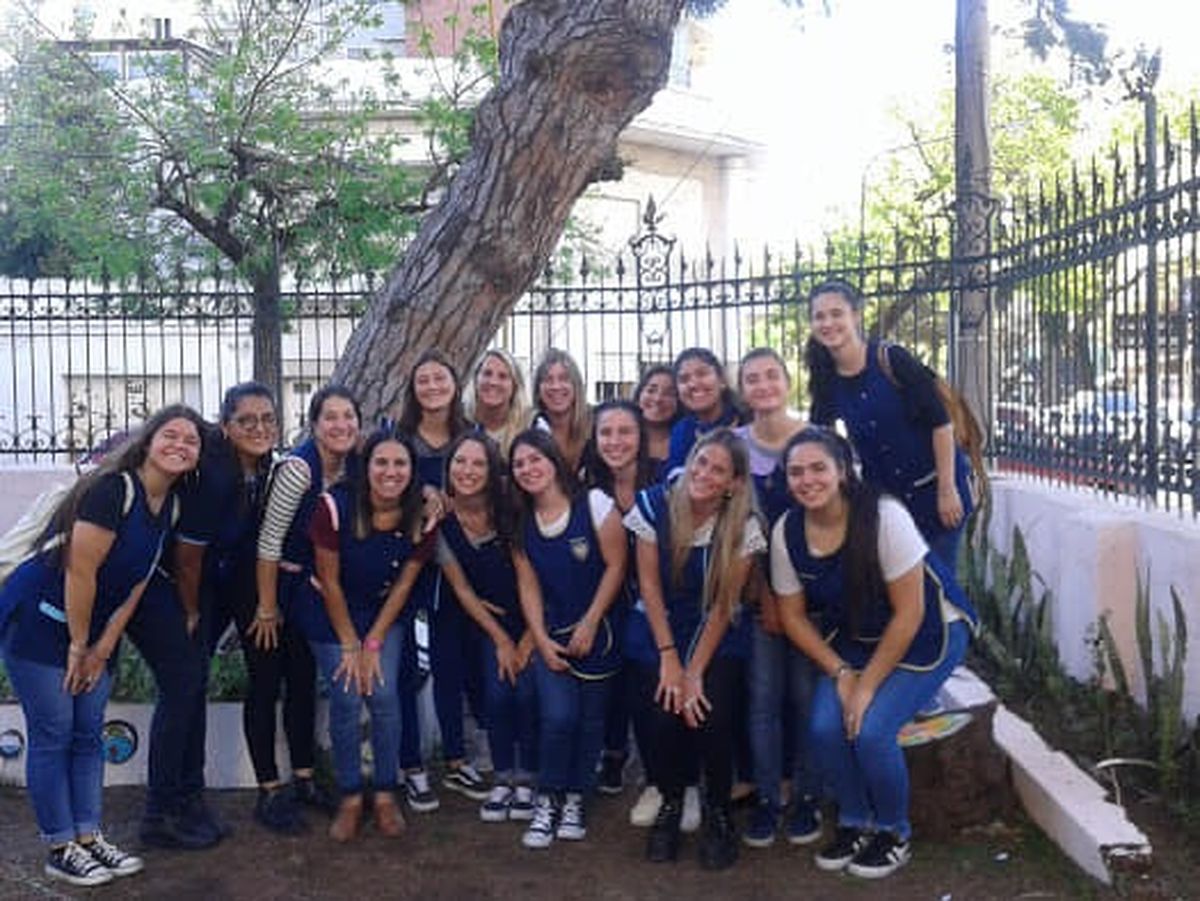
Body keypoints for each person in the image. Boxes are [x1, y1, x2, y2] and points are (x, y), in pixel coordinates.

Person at [0, 404, 206, 886]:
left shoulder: (169, 504)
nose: (180, 445)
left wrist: (105, 643)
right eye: (170, 435)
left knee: (89, 733)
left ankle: (89, 837)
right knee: (55, 732)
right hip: (42, 621)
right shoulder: (113, 490)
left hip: (91, 630)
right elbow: (80, 570)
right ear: (148, 441)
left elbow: (135, 583)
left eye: (190, 440)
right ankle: (60, 845)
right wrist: (79, 645)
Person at [773, 426, 977, 879]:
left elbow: (908, 614)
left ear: (843, 471)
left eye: (819, 468)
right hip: (857, 640)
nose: (807, 480)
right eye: (796, 472)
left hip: (928, 632)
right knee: (826, 727)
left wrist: (865, 689)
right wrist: (842, 673)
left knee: (870, 730)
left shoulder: (883, 516)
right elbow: (792, 617)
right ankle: (854, 820)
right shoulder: (788, 530)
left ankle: (893, 831)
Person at [129, 382, 277, 850]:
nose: (259, 428)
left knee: (193, 688)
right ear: (225, 425)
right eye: (246, 420)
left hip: (207, 584)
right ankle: (159, 814)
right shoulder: (215, 473)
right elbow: (188, 556)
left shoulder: (261, 466)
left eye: (267, 419)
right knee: (182, 689)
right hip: (169, 588)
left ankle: (189, 801)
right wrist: (191, 611)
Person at [629, 428, 762, 871]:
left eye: (718, 469)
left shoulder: (744, 525)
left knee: (711, 707)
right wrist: (670, 658)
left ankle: (718, 809)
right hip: (661, 621)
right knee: (660, 704)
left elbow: (725, 606)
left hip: (716, 630)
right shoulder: (653, 505)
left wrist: (694, 672)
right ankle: (670, 799)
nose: (704, 474)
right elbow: (648, 585)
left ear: (735, 483)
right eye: (701, 462)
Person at [303, 426, 432, 841]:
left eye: (400, 463)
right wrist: (350, 644)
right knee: (344, 693)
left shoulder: (422, 516)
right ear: (366, 465)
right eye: (381, 462)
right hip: (329, 610)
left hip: (382, 613)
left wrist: (372, 643)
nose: (390, 472)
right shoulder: (334, 507)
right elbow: (330, 580)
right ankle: (350, 794)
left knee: (384, 693)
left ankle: (385, 792)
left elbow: (404, 585)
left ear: (412, 471)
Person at [509, 428, 627, 850]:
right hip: (553, 636)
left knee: (591, 722)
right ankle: (548, 798)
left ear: (553, 460)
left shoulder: (594, 504)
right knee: (558, 718)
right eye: (519, 464)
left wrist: (592, 620)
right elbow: (529, 586)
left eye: (534, 459)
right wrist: (539, 639)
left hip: (600, 635)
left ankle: (577, 798)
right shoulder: (521, 522)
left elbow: (616, 565)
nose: (528, 468)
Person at [805, 278, 973, 568]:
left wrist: (947, 490)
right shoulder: (826, 377)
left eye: (836, 314)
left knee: (940, 590)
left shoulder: (890, 358)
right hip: (887, 503)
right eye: (819, 316)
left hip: (935, 493)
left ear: (855, 316)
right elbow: (824, 441)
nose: (828, 323)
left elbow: (940, 423)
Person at [254, 385, 361, 833]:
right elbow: (269, 541)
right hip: (268, 584)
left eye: (349, 416)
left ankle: (303, 779)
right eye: (330, 417)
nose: (341, 425)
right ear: (314, 425)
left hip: (305, 590)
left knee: (301, 683)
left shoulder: (351, 466)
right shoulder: (300, 470)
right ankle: (268, 790)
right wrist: (265, 607)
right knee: (266, 682)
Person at [732, 349, 820, 850]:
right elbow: (742, 523)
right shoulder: (735, 446)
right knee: (763, 698)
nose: (762, 385)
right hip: (761, 595)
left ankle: (807, 796)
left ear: (788, 382)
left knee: (805, 698)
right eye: (752, 378)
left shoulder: (816, 440)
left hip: (813, 598)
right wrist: (765, 591)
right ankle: (769, 798)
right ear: (742, 389)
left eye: (771, 375)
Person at [394, 349, 487, 810]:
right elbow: (382, 486)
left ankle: (455, 758)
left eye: (440, 378)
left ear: (455, 383)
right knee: (409, 667)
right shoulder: (398, 437)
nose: (432, 387)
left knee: (451, 664)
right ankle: (411, 766)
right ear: (413, 389)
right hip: (409, 562)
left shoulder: (472, 437)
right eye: (422, 380)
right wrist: (422, 491)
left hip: (457, 563)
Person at [436, 433, 538, 823]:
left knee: (526, 693)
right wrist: (500, 639)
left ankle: (528, 777)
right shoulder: (441, 523)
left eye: (478, 463)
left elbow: (533, 578)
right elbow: (460, 587)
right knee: (497, 693)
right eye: (460, 462)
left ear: (493, 471)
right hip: (488, 623)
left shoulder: (512, 511)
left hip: (532, 619)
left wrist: (529, 637)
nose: (467, 471)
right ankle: (503, 776)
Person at [665, 348, 745, 475]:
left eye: (702, 374)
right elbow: (674, 483)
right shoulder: (682, 432)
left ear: (722, 381)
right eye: (684, 379)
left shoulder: (747, 424)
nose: (693, 384)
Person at [530, 348, 591, 474]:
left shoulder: (596, 426)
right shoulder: (529, 429)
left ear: (576, 386)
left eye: (564, 379)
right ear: (538, 390)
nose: (556, 386)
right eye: (548, 380)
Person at [467, 348, 530, 458]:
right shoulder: (461, 423)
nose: (493, 382)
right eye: (487, 374)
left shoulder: (530, 425)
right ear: (476, 379)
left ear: (514, 386)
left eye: (503, 376)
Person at [633, 364, 680, 480]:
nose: (658, 399)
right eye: (651, 390)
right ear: (639, 395)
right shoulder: (622, 439)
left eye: (669, 394)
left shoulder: (687, 441)